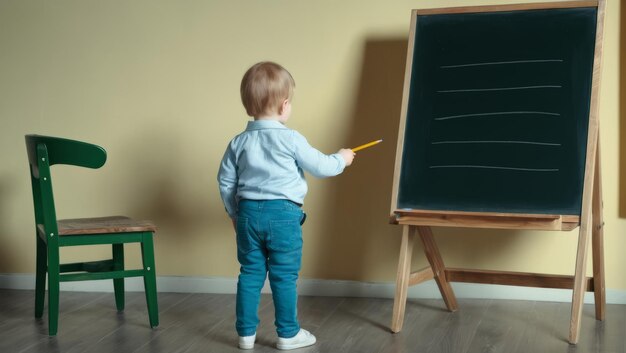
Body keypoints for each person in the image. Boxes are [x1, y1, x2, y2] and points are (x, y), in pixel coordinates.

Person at [217, 61, 355, 350]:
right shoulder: (290, 138)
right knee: (283, 275)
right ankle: (288, 333)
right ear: (284, 105)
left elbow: (226, 182)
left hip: (247, 216)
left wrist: (233, 213)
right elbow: (321, 167)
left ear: (247, 106)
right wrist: (342, 158)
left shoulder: (238, 142)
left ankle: (245, 334)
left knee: (250, 273)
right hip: (283, 216)